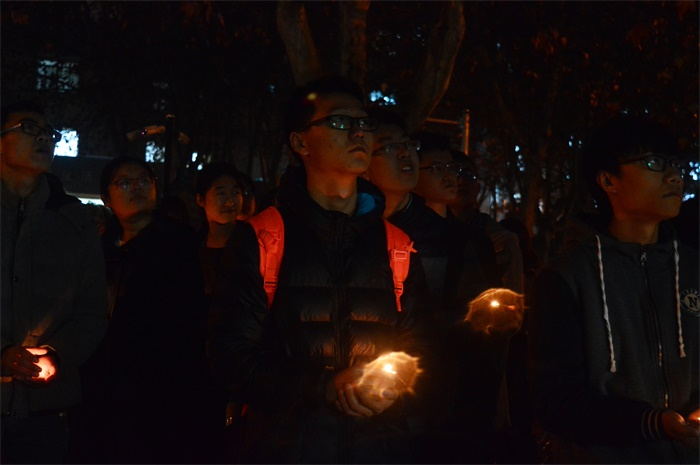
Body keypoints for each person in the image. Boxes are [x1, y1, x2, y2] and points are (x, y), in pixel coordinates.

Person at [210, 76, 429, 463]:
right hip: (287, 446)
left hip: (378, 447)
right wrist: (324, 387)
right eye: (341, 122)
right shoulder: (264, 237)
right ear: (300, 143)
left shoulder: (396, 244)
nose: (359, 133)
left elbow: (420, 347)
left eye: (364, 123)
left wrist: (393, 385)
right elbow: (231, 357)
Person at [530, 116, 699, 464]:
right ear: (608, 181)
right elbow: (555, 401)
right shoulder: (567, 277)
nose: (674, 176)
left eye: (676, 164)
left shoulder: (694, 269)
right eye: (654, 163)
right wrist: (652, 423)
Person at [365, 116, 520, 462]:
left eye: (409, 146)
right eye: (390, 147)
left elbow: (483, 334)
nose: (404, 154)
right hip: (367, 405)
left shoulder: (455, 241)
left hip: (437, 406)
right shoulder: (355, 233)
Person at [78, 156, 215, 464]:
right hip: (104, 388)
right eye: (124, 183)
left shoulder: (181, 244)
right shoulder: (98, 249)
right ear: (106, 197)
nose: (136, 188)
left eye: (143, 181)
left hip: (162, 388)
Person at [0, 101, 107, 464]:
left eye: (48, 132)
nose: (44, 138)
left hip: (45, 409)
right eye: (28, 128)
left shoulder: (73, 220)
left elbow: (92, 310)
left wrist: (58, 354)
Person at [448, 152, 525, 294]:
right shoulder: (425, 233)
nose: (461, 181)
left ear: (477, 187)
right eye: (454, 172)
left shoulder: (500, 240)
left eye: (468, 175)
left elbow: (511, 296)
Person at [195, 162, 245, 296]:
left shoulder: (255, 242)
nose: (230, 202)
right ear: (200, 200)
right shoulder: (192, 246)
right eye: (221, 193)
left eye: (235, 192)